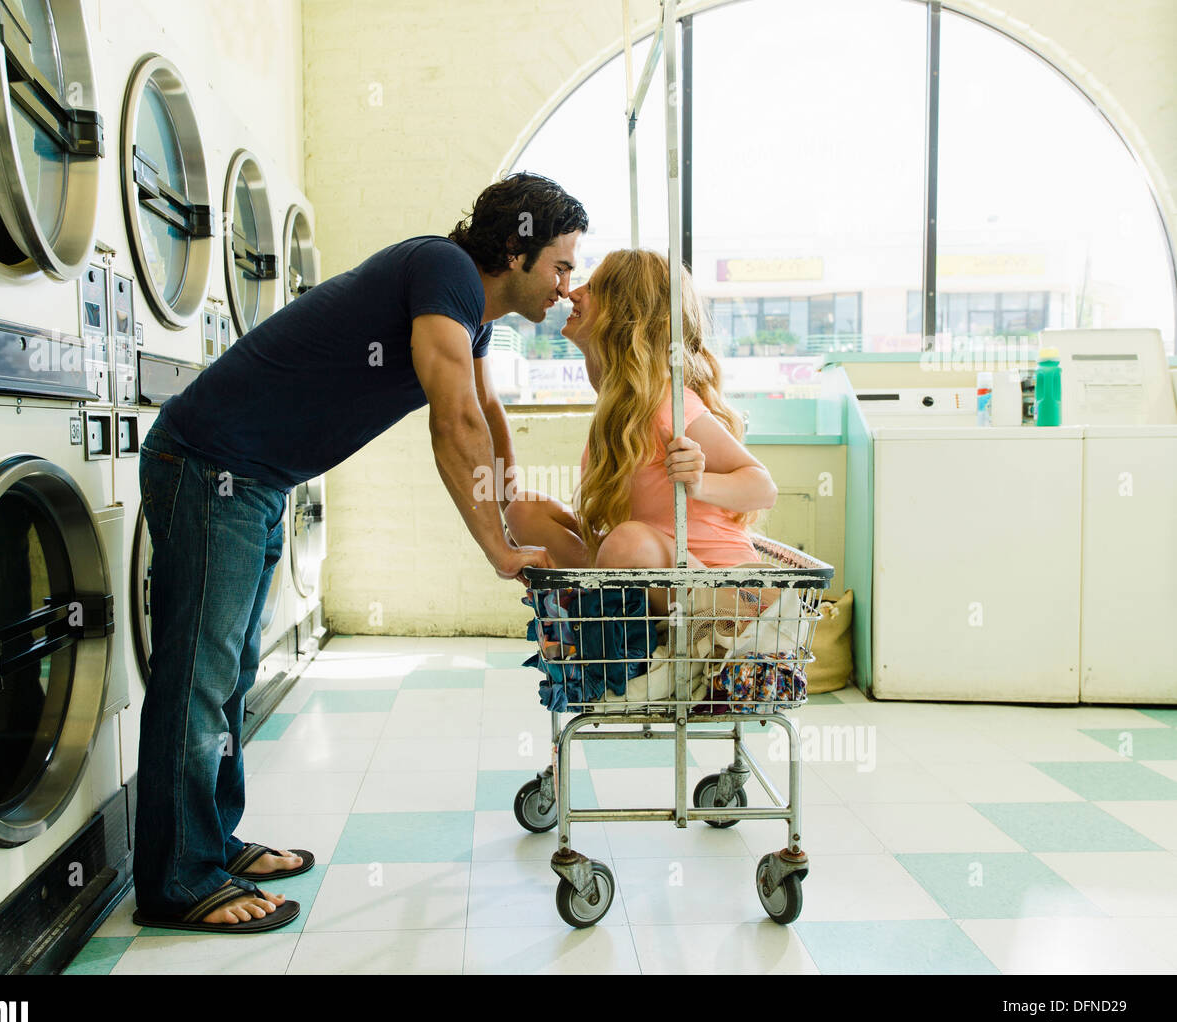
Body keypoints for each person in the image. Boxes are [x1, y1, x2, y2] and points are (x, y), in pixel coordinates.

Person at [133, 173, 587, 932]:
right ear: (516, 251)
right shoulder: (443, 269)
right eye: (562, 267)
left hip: (254, 480)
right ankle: (178, 881)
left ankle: (211, 842)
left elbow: (486, 415)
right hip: (210, 465)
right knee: (199, 681)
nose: (568, 288)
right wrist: (496, 549)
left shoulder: (471, 314)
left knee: (230, 672)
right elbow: (453, 422)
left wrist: (514, 510)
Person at [505, 248, 776, 607]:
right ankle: (607, 614)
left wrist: (698, 483)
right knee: (524, 510)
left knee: (627, 541)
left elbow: (762, 488)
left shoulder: (669, 407)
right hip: (649, 579)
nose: (572, 292)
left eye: (595, 287)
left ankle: (614, 622)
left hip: (718, 590)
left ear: (624, 314)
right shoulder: (617, 410)